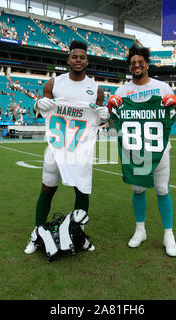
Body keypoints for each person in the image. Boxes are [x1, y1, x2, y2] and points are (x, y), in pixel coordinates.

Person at [24, 40, 108, 254]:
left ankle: (79, 234)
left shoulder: (96, 89)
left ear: (87, 61)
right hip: (57, 147)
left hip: (81, 149)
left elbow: (98, 121)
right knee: (48, 187)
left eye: (82, 57)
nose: (78, 60)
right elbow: (40, 110)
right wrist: (37, 104)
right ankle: (36, 234)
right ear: (68, 59)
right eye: (74, 57)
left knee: (81, 189)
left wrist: (104, 117)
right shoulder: (54, 83)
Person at [106, 45, 176, 257]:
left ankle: (169, 235)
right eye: (133, 64)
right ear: (129, 68)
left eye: (140, 62)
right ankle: (140, 230)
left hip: (159, 149)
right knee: (137, 190)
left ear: (147, 64)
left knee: (162, 190)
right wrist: (111, 111)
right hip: (135, 150)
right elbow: (113, 126)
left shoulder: (162, 88)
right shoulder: (122, 91)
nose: (137, 66)